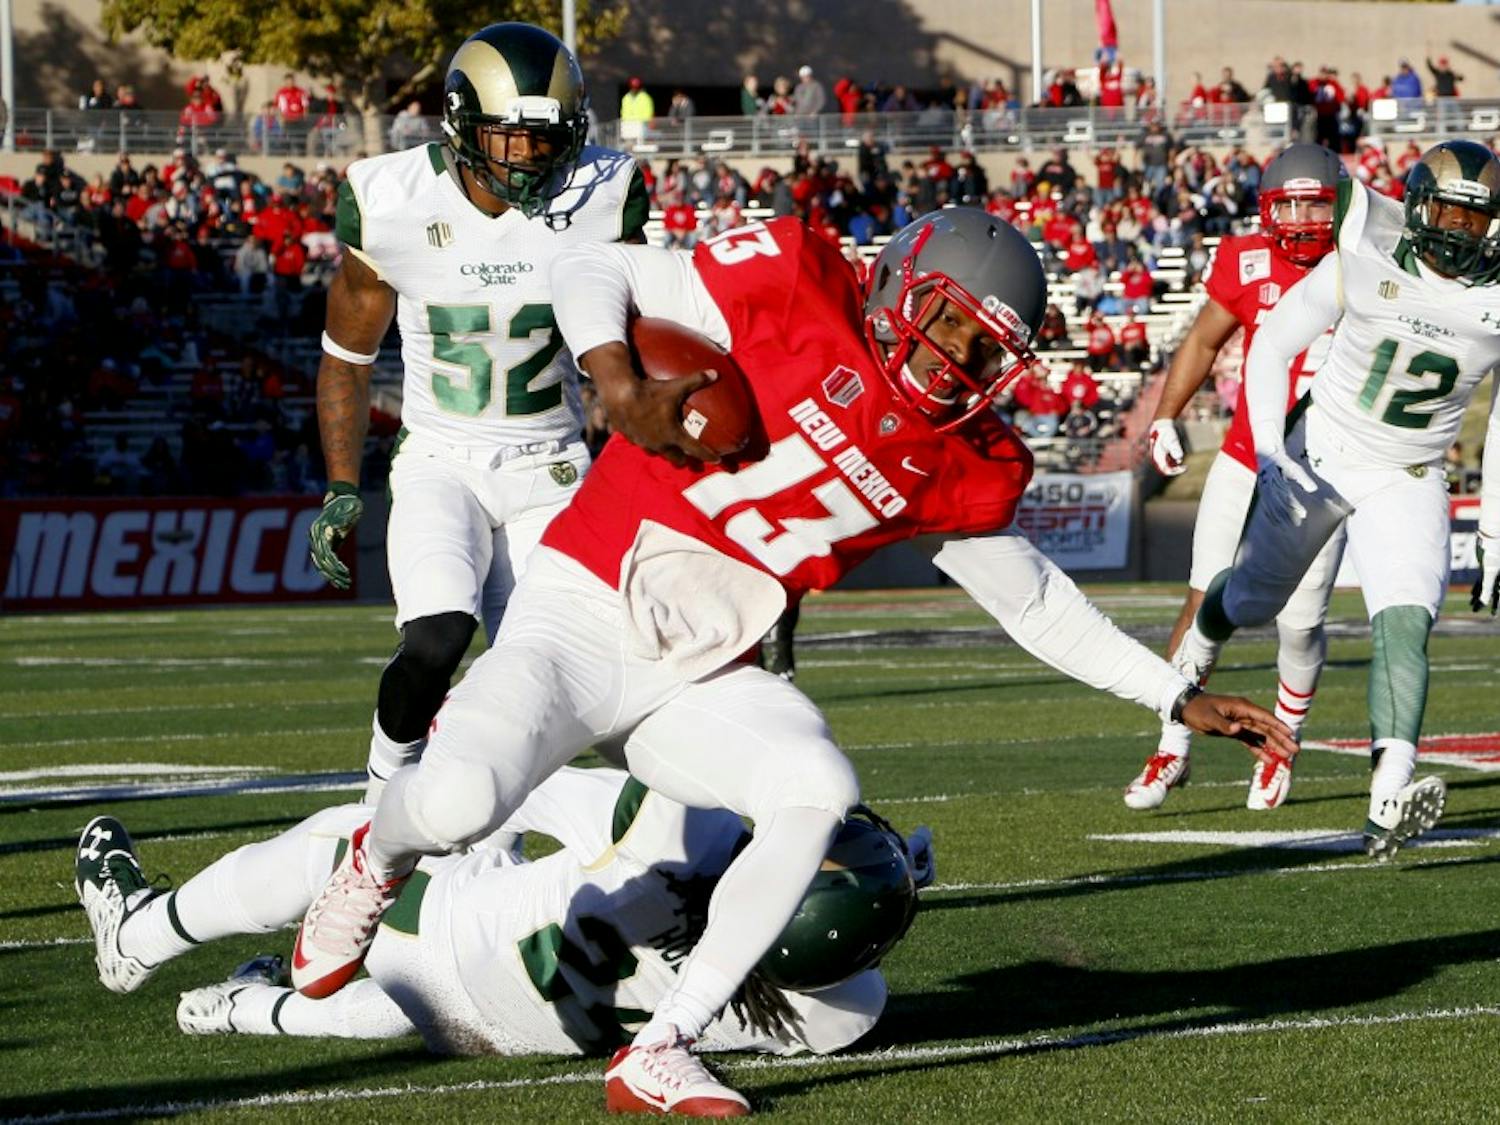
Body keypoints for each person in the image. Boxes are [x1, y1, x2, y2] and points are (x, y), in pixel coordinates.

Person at [291, 205, 1295, 1114]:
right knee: (459, 804)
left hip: (707, 672)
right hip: (583, 610)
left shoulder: (960, 454)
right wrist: (618, 383)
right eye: (948, 323)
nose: (955, 360)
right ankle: (370, 863)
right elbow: (593, 262)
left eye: (984, 350)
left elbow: (1031, 602)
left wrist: (1174, 693)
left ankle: (665, 1045)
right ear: (903, 283)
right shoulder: (798, 282)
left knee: (815, 786)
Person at [306, 23, 649, 803]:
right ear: (462, 123)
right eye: (510, 136)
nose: (530, 156)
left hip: (553, 464)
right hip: (442, 459)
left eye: (546, 139)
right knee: (436, 637)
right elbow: (347, 359)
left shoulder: (605, 195)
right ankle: (382, 791)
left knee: (563, 677)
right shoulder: (390, 202)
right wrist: (339, 483)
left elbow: (642, 331)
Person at [73, 767, 922, 1059]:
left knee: (354, 843)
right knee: (457, 975)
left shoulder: (676, 828)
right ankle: (246, 1011)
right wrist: (885, 884)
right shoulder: (838, 1011)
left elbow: (506, 789)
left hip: (424, 937)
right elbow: (826, 939)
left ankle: (137, 934)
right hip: (492, 1026)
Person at [1172, 139, 1500, 859]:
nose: (1458, 232)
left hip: (1408, 473)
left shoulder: (1495, 299)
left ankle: (1390, 793)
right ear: (1417, 208)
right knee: (1253, 602)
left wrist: (1496, 530)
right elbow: (1271, 348)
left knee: (1405, 624)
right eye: (1447, 212)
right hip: (1321, 453)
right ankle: (1202, 638)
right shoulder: (1363, 257)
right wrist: (1269, 452)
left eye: (1475, 221)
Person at [1129, 145, 1349, 814]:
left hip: (1326, 474)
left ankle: (1281, 745)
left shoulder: (1370, 261)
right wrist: (1165, 415)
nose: (1306, 218)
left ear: (1340, 206)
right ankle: (1174, 739)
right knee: (1203, 604)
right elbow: (1202, 340)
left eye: (1318, 203)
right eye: (1292, 204)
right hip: (1245, 456)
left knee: (1301, 622)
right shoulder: (1246, 259)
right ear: (1267, 209)